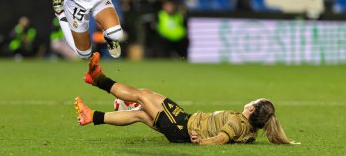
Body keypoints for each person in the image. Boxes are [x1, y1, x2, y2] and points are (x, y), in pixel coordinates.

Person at [75, 52, 298, 145]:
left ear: (252, 109)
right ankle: (92, 116)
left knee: (142, 96)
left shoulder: (237, 122)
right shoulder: (249, 130)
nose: (250, 101)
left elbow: (222, 138)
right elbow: (235, 137)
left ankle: (97, 78)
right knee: (140, 114)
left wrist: (203, 141)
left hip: (181, 126)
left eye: (255, 100)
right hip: (184, 120)